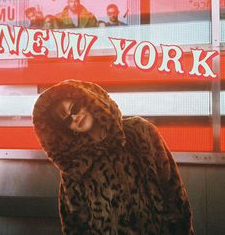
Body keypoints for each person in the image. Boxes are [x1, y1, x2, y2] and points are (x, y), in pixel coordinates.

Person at [33, 79, 194, 234]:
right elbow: (74, 224)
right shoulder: (76, 167)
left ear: (88, 101)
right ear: (69, 129)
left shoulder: (140, 132)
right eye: (67, 120)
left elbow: (172, 188)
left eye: (75, 108)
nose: (74, 117)